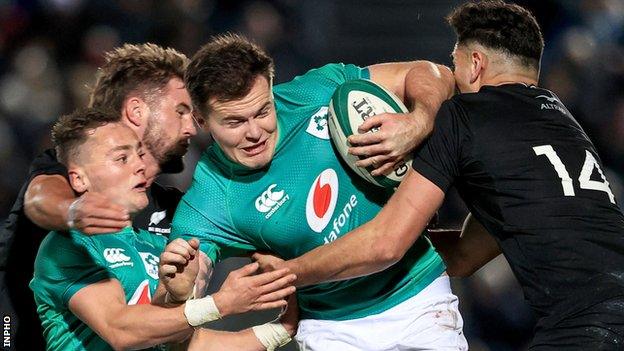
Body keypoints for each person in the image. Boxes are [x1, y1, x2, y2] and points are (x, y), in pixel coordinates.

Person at [256, 1, 624, 349]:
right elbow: (465, 255)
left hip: (587, 325)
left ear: (476, 64)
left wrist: (288, 272)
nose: (453, 77)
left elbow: (387, 243)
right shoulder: (565, 125)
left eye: (455, 63)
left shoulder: (463, 115)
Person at [172, 33, 465, 350]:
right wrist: (181, 286)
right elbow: (186, 285)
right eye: (234, 122)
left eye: (262, 111)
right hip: (332, 330)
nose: (255, 132)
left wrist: (419, 120)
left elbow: (429, 73)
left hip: (418, 299)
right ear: (201, 120)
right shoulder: (209, 200)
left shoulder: (317, 92)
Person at [30, 107, 298, 351]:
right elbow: (119, 330)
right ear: (79, 179)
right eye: (122, 158)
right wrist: (222, 303)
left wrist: (277, 331)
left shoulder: (159, 245)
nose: (140, 166)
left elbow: (186, 342)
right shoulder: (68, 246)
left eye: (139, 154)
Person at [0, 43, 196, 350]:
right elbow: (40, 197)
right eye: (181, 111)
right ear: (137, 111)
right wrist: (73, 210)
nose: (191, 128)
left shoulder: (167, 206)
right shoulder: (73, 167)